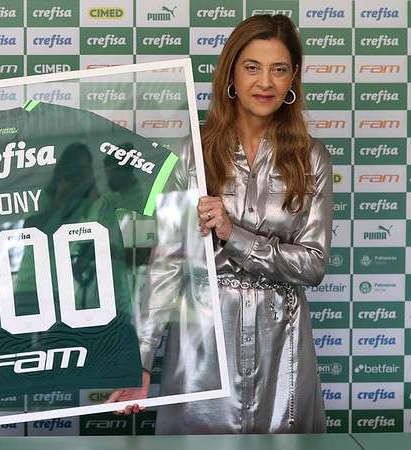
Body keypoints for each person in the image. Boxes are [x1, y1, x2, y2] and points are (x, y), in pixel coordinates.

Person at [108, 14, 332, 434]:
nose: (265, 81)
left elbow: (314, 264)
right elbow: (167, 265)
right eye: (252, 67)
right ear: (231, 72)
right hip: (203, 341)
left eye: (278, 69)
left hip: (281, 341)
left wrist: (234, 235)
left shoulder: (312, 157)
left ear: (292, 79)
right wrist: (138, 360)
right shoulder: (193, 151)